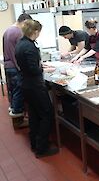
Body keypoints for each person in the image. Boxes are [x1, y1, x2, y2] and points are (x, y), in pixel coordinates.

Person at [15, 19, 58, 158]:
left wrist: (40, 66)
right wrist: (41, 67)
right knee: (47, 114)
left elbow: (28, 65)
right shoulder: (30, 47)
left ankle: (35, 143)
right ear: (35, 31)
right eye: (39, 31)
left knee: (34, 115)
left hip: (25, 84)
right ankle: (42, 148)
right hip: (34, 86)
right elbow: (34, 69)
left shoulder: (21, 44)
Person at [2, 13, 32, 118]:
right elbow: (19, 53)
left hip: (8, 65)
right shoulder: (17, 32)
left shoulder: (7, 30)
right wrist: (23, 69)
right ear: (24, 21)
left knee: (13, 89)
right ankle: (17, 113)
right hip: (15, 66)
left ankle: (14, 108)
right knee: (19, 90)